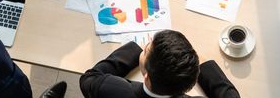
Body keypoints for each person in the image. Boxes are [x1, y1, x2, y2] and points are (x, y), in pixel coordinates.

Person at [80, 30, 241, 98]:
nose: (146, 45)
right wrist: (196, 62)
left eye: (147, 49)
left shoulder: (113, 89)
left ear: (147, 77)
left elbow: (88, 79)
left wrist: (135, 50)